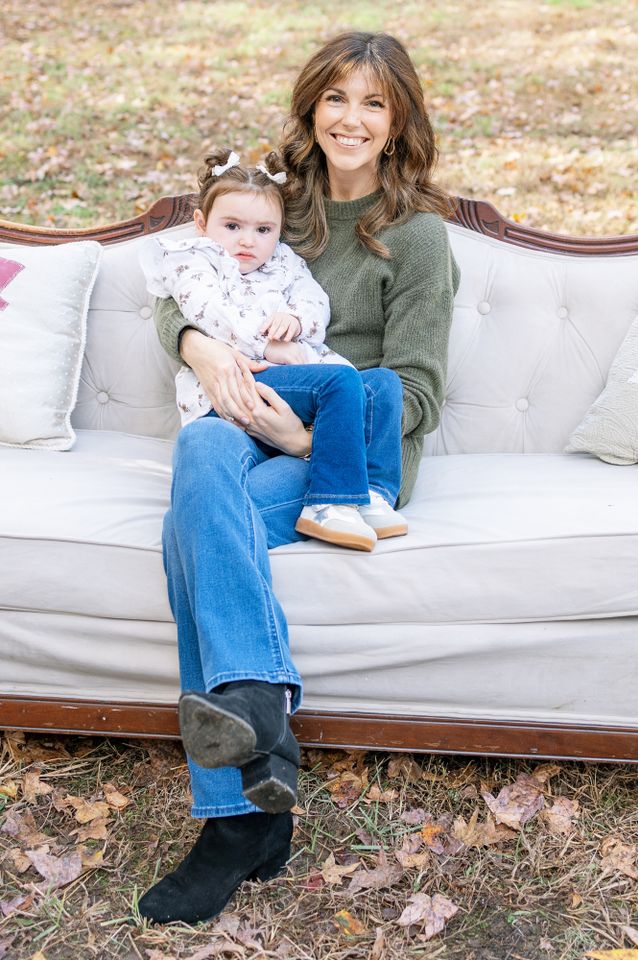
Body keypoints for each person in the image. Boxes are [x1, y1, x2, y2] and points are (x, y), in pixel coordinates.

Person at [138, 30, 460, 926]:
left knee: (194, 523)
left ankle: (237, 817)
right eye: (336, 98)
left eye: (374, 103)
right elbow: (184, 282)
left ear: (399, 122)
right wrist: (198, 346)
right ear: (312, 107)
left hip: (345, 455)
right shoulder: (278, 201)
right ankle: (259, 722)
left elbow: (417, 394)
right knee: (202, 454)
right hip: (246, 417)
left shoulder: (417, 237)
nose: (351, 119)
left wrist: (305, 433)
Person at [139, 149, 408, 551]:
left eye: (264, 229)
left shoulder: (284, 262)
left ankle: (372, 495)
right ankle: (327, 502)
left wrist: (297, 321)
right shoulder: (193, 260)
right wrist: (266, 343)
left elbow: (315, 300)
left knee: (384, 384)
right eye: (232, 226)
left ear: (279, 231)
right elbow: (209, 313)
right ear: (201, 223)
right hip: (240, 386)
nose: (247, 240)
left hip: (295, 388)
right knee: (339, 381)